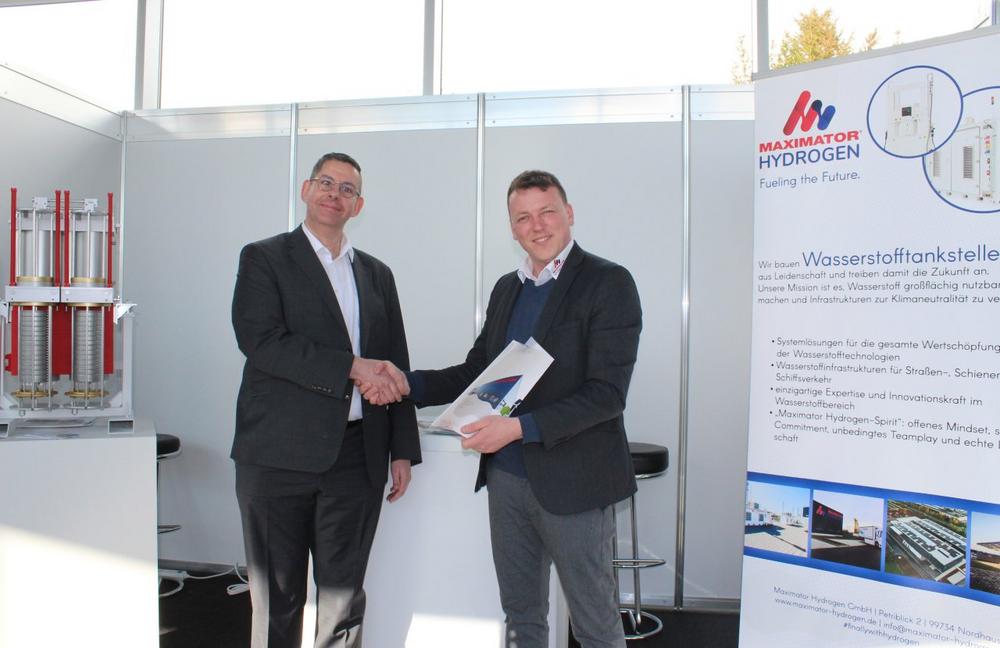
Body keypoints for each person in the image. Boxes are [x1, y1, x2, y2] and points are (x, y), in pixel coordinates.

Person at [364, 170, 642, 648]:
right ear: (512, 229)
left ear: (569, 213)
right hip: (508, 481)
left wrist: (517, 429)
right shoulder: (506, 290)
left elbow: (607, 394)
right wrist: (407, 383)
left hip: (575, 482)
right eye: (523, 217)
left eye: (547, 211)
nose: (537, 225)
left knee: (595, 624)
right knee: (520, 617)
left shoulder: (608, 282)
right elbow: (479, 373)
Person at [231, 152, 419, 648]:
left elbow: (394, 361)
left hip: (357, 457)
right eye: (326, 183)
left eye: (347, 189)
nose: (335, 195)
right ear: (306, 190)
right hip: (276, 455)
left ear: (358, 205)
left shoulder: (377, 274)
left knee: (343, 601)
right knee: (277, 600)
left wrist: (402, 448)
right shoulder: (264, 258)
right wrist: (351, 367)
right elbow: (261, 341)